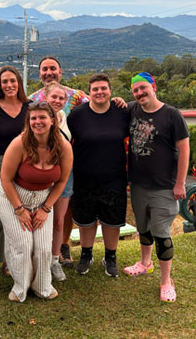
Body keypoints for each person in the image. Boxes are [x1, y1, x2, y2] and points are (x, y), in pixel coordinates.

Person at [0, 101, 73, 302]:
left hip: (42, 200)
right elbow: (5, 179)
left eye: (42, 117)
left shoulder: (63, 146)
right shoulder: (19, 143)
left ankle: (41, 286)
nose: (38, 122)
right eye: (33, 118)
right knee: (22, 244)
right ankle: (21, 286)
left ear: (53, 120)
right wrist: (19, 209)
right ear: (28, 121)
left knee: (43, 247)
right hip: (12, 196)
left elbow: (62, 180)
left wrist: (46, 208)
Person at [124, 72, 189, 303]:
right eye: (135, 90)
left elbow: (184, 150)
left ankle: (166, 281)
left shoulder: (172, 115)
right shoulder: (133, 109)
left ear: (154, 87)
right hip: (139, 184)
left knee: (162, 234)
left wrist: (180, 183)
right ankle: (144, 263)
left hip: (164, 186)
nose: (139, 93)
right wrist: (117, 101)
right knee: (144, 228)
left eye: (143, 88)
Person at [67, 73, 130, 278]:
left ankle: (110, 257)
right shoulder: (77, 115)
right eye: (95, 89)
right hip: (84, 177)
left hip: (114, 177)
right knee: (86, 221)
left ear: (110, 91)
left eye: (103, 88)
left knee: (112, 221)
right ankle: (86, 255)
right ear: (89, 92)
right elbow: (65, 142)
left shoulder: (122, 112)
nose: (99, 92)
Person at [29, 56, 89, 268]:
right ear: (40, 73)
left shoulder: (76, 96)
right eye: (44, 69)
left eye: (53, 68)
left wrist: (119, 102)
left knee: (66, 204)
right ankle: (39, 249)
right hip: (39, 162)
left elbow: (99, 104)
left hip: (70, 161)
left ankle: (63, 246)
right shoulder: (32, 99)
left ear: (60, 71)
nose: (49, 72)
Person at [0, 65, 30, 277]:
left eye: (12, 81)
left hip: (23, 166)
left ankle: (11, 259)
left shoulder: (30, 107)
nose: (9, 85)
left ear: (19, 83)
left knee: (17, 214)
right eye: (4, 82)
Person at [44, 83, 73, 282]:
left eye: (61, 98)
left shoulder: (66, 119)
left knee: (58, 220)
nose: (57, 101)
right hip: (41, 175)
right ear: (45, 97)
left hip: (65, 175)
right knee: (39, 219)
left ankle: (54, 261)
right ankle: (39, 260)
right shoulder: (36, 116)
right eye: (54, 97)